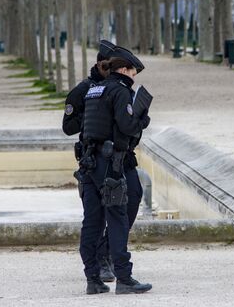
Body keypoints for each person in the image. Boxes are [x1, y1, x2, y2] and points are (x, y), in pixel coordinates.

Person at [62, 41, 143, 283]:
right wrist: (92, 115)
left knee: (130, 201)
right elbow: (67, 127)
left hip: (118, 158)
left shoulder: (112, 89)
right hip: (99, 158)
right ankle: (106, 264)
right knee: (103, 215)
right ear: (100, 64)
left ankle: (100, 264)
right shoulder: (85, 90)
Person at [79, 54, 152, 295]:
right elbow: (127, 126)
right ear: (123, 70)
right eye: (132, 72)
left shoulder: (94, 90)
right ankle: (124, 277)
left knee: (92, 221)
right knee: (118, 217)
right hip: (110, 164)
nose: (134, 77)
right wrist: (142, 118)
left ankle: (93, 279)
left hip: (89, 163)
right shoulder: (120, 91)